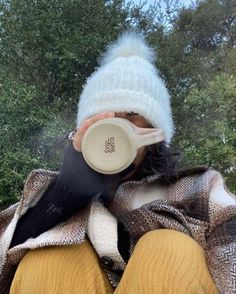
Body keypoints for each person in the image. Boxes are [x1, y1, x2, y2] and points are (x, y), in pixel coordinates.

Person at [0, 32, 235, 294]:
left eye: (132, 115)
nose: (116, 127)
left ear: (154, 131)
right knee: (48, 258)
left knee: (166, 250)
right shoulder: (49, 194)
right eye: (105, 114)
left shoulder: (198, 189)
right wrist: (62, 196)